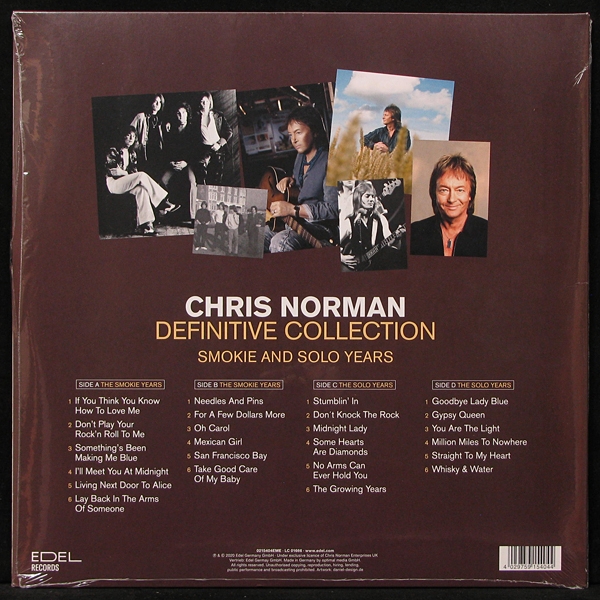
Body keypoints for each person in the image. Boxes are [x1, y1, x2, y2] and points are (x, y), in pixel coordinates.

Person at [266, 105, 338, 252]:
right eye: (290, 134)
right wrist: (290, 180)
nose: (293, 140)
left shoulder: (330, 162)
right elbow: (305, 183)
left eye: (298, 133)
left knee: (281, 242)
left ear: (315, 132)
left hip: (321, 228)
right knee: (256, 236)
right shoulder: (300, 158)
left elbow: (333, 208)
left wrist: (292, 209)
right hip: (296, 223)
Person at [410, 154, 488, 257]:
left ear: (470, 194)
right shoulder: (414, 232)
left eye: (460, 190)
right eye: (444, 190)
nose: (451, 199)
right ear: (434, 194)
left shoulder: (487, 232)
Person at [105, 127, 177, 236]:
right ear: (123, 136)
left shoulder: (132, 153)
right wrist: (126, 173)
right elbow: (113, 171)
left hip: (125, 183)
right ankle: (162, 202)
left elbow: (133, 172)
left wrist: (124, 173)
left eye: (133, 136)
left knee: (141, 190)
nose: (131, 138)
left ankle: (147, 226)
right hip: (113, 184)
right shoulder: (113, 150)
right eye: (128, 135)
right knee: (141, 175)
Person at [340, 181, 402, 271]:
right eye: (367, 196)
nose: (371, 199)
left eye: (373, 196)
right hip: (354, 269)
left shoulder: (381, 219)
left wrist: (397, 238)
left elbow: (392, 244)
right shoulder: (349, 221)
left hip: (376, 267)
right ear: (358, 198)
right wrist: (341, 258)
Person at [161, 101, 198, 221]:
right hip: (175, 163)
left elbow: (195, 150)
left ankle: (193, 216)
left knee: (192, 182)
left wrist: (185, 162)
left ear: (187, 114)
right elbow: (168, 149)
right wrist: (171, 162)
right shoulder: (172, 130)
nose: (181, 116)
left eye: (183, 112)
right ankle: (167, 209)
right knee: (163, 180)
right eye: (178, 113)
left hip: (188, 163)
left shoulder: (193, 130)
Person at [197, 91, 233, 185]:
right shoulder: (196, 117)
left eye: (206, 101)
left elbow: (229, 132)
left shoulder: (218, 115)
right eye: (202, 102)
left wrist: (219, 144)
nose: (204, 104)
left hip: (218, 149)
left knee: (217, 179)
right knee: (204, 179)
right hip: (204, 151)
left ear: (210, 102)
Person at [130, 94, 166, 178]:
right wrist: (137, 145)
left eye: (160, 102)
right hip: (143, 153)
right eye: (155, 101)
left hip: (156, 154)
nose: (157, 104)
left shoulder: (159, 119)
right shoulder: (141, 116)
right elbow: (130, 130)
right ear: (151, 102)